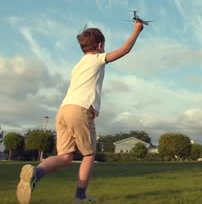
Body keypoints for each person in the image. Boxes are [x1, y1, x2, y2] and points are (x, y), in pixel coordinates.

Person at [16, 20, 144, 203]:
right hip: (79, 109)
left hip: (64, 110)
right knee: (89, 154)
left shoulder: (78, 65)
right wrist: (137, 30)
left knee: (65, 156)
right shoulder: (98, 59)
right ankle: (80, 197)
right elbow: (124, 50)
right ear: (100, 46)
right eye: (104, 45)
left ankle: (36, 172)